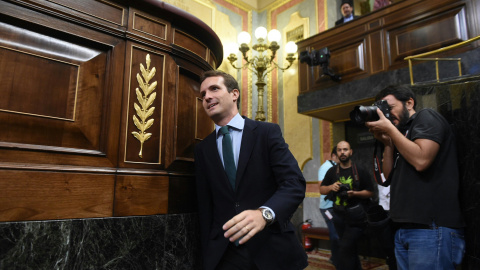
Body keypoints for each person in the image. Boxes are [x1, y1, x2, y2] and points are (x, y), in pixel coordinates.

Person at [195, 70, 308, 270]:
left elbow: (294, 183)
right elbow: (205, 208)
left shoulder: (266, 133)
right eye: (203, 95)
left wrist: (264, 214)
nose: (207, 97)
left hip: (272, 249)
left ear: (234, 94)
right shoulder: (203, 149)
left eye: (214, 89)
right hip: (225, 255)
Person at [365, 85, 465, 269]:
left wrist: (390, 130)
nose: (387, 115)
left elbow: (421, 160)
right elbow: (388, 177)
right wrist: (387, 144)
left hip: (431, 228)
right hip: (404, 228)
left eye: (390, 108)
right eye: (382, 111)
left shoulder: (426, 117)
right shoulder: (400, 134)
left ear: (409, 103)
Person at [320, 141, 374, 270]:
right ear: (336, 153)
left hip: (356, 217)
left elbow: (370, 192)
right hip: (338, 215)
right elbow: (322, 190)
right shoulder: (332, 171)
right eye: (339, 150)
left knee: (344, 247)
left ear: (351, 152)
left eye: (345, 149)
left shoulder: (360, 170)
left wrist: (354, 193)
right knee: (350, 249)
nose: (342, 152)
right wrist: (330, 187)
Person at [317, 146, 340, 267]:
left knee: (338, 232)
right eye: (339, 153)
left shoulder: (337, 167)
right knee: (334, 232)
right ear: (334, 156)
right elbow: (321, 186)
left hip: (335, 206)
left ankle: (336, 256)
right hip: (327, 207)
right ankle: (336, 260)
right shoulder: (325, 167)